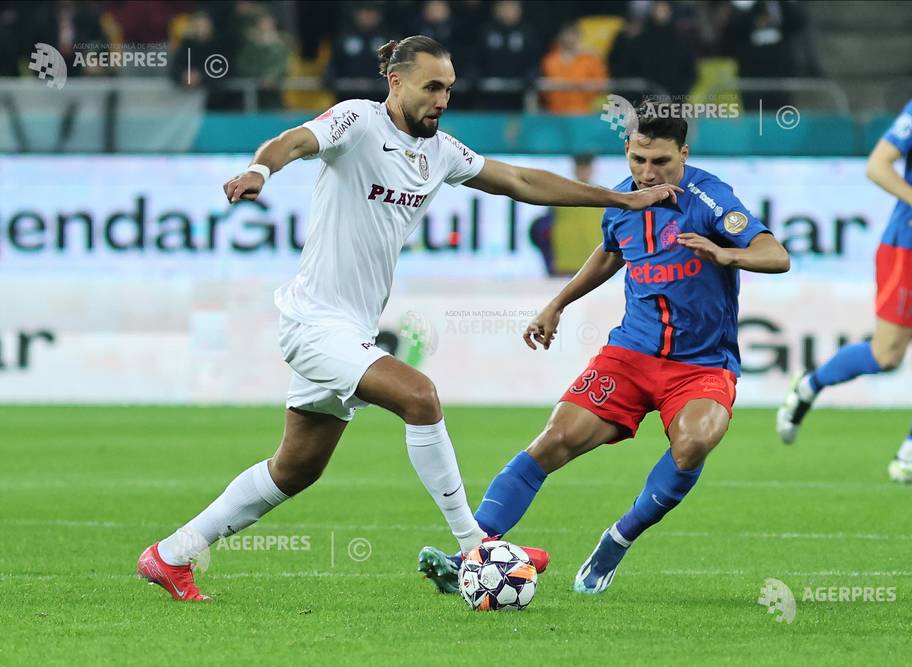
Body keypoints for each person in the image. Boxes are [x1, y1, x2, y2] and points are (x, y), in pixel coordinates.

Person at [136, 36, 680, 602]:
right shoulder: (357, 122)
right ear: (395, 83)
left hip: (351, 330)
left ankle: (170, 556)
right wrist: (260, 171)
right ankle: (475, 545)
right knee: (420, 397)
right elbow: (293, 141)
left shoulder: (439, 151)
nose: (442, 99)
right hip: (314, 324)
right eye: (431, 87)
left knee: (295, 469)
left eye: (448, 89)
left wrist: (617, 201)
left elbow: (519, 182)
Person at [418, 103, 789, 595]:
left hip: (701, 364)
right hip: (631, 355)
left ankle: (617, 539)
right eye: (638, 160)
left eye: (660, 162)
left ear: (684, 152)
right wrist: (557, 304)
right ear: (627, 151)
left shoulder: (711, 199)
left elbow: (776, 254)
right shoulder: (622, 202)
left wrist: (727, 253)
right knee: (553, 440)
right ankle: (469, 554)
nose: (647, 173)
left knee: (695, 441)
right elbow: (611, 252)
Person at [776, 20, 912, 489]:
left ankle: (911, 454)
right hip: (909, 247)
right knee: (886, 355)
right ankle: (809, 386)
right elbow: (878, 164)